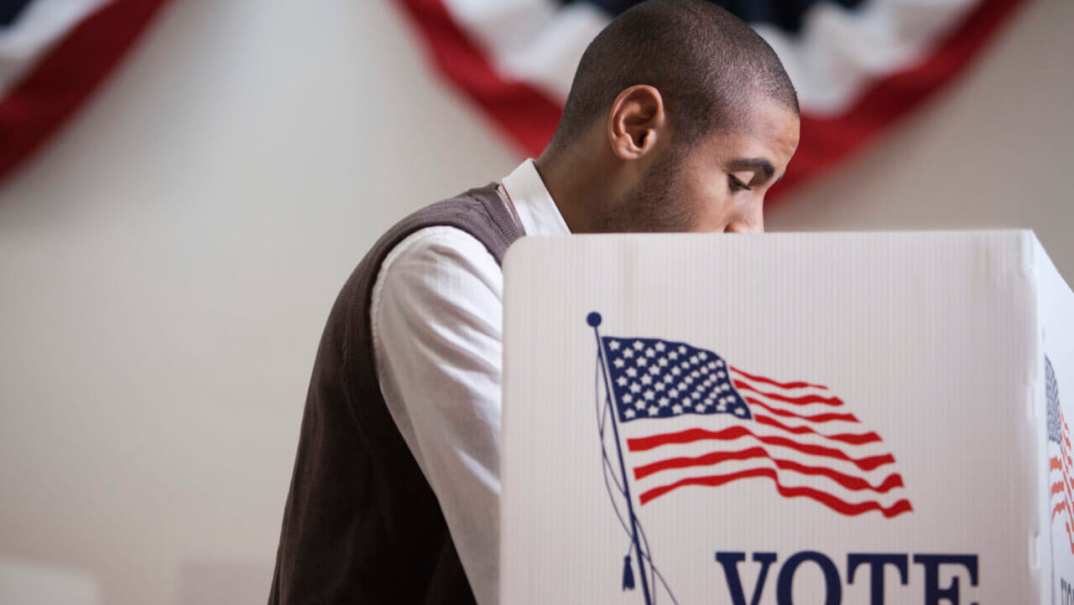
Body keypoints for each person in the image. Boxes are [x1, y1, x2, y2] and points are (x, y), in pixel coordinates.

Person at [267, 1, 800, 603]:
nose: (750, 232)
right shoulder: (448, 269)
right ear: (636, 127)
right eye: (741, 182)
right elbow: (549, 577)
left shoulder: (604, 301)